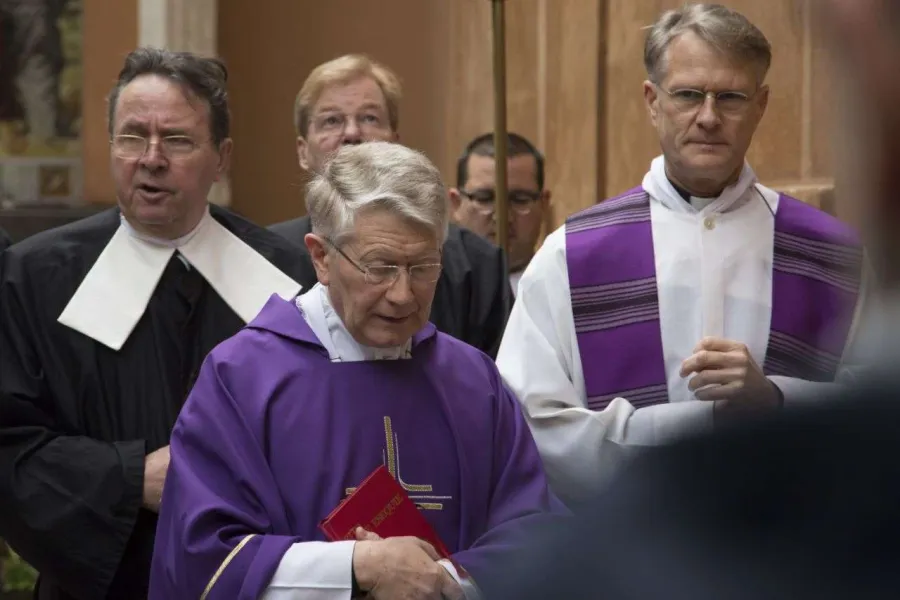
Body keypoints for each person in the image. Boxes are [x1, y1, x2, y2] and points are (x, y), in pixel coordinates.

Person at [149, 141, 566, 600]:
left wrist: (447, 582)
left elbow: (533, 531)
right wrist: (355, 566)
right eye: (380, 267)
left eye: (423, 267)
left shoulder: (472, 381)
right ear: (321, 257)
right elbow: (203, 559)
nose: (403, 294)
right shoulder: (241, 379)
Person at [496, 2, 867, 505]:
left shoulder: (833, 256)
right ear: (652, 100)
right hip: (633, 559)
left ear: (760, 106)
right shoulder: (571, 255)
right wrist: (697, 428)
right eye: (689, 94)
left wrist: (775, 400)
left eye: (731, 97)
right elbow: (532, 422)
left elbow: (879, 409)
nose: (709, 116)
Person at [0, 48, 316, 599]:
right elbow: (9, 446)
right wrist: (129, 479)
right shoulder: (33, 278)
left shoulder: (292, 279)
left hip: (257, 579)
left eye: (176, 139)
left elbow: (330, 433)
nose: (151, 158)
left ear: (222, 157)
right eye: (131, 137)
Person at [270, 54, 513, 358]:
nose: (352, 134)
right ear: (302, 151)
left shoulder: (475, 264)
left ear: (395, 141)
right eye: (332, 120)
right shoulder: (265, 257)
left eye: (369, 118)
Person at [449, 132, 551, 296]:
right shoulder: (433, 291)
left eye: (519, 200)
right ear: (456, 203)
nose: (503, 218)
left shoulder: (563, 289)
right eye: (484, 199)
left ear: (544, 204)